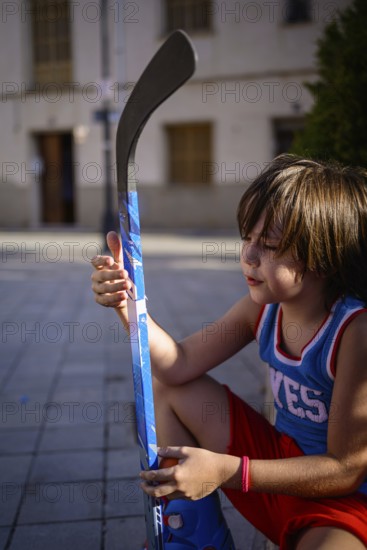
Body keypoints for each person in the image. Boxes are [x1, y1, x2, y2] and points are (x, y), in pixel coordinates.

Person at [91, 154, 367, 549]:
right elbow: (178, 365)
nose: (249, 257)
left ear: (323, 257)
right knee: (170, 391)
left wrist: (227, 470)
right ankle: (193, 538)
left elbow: (346, 469)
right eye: (246, 238)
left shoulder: (354, 332)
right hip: (275, 471)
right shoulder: (263, 309)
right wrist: (130, 307)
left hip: (340, 503)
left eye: (269, 245)